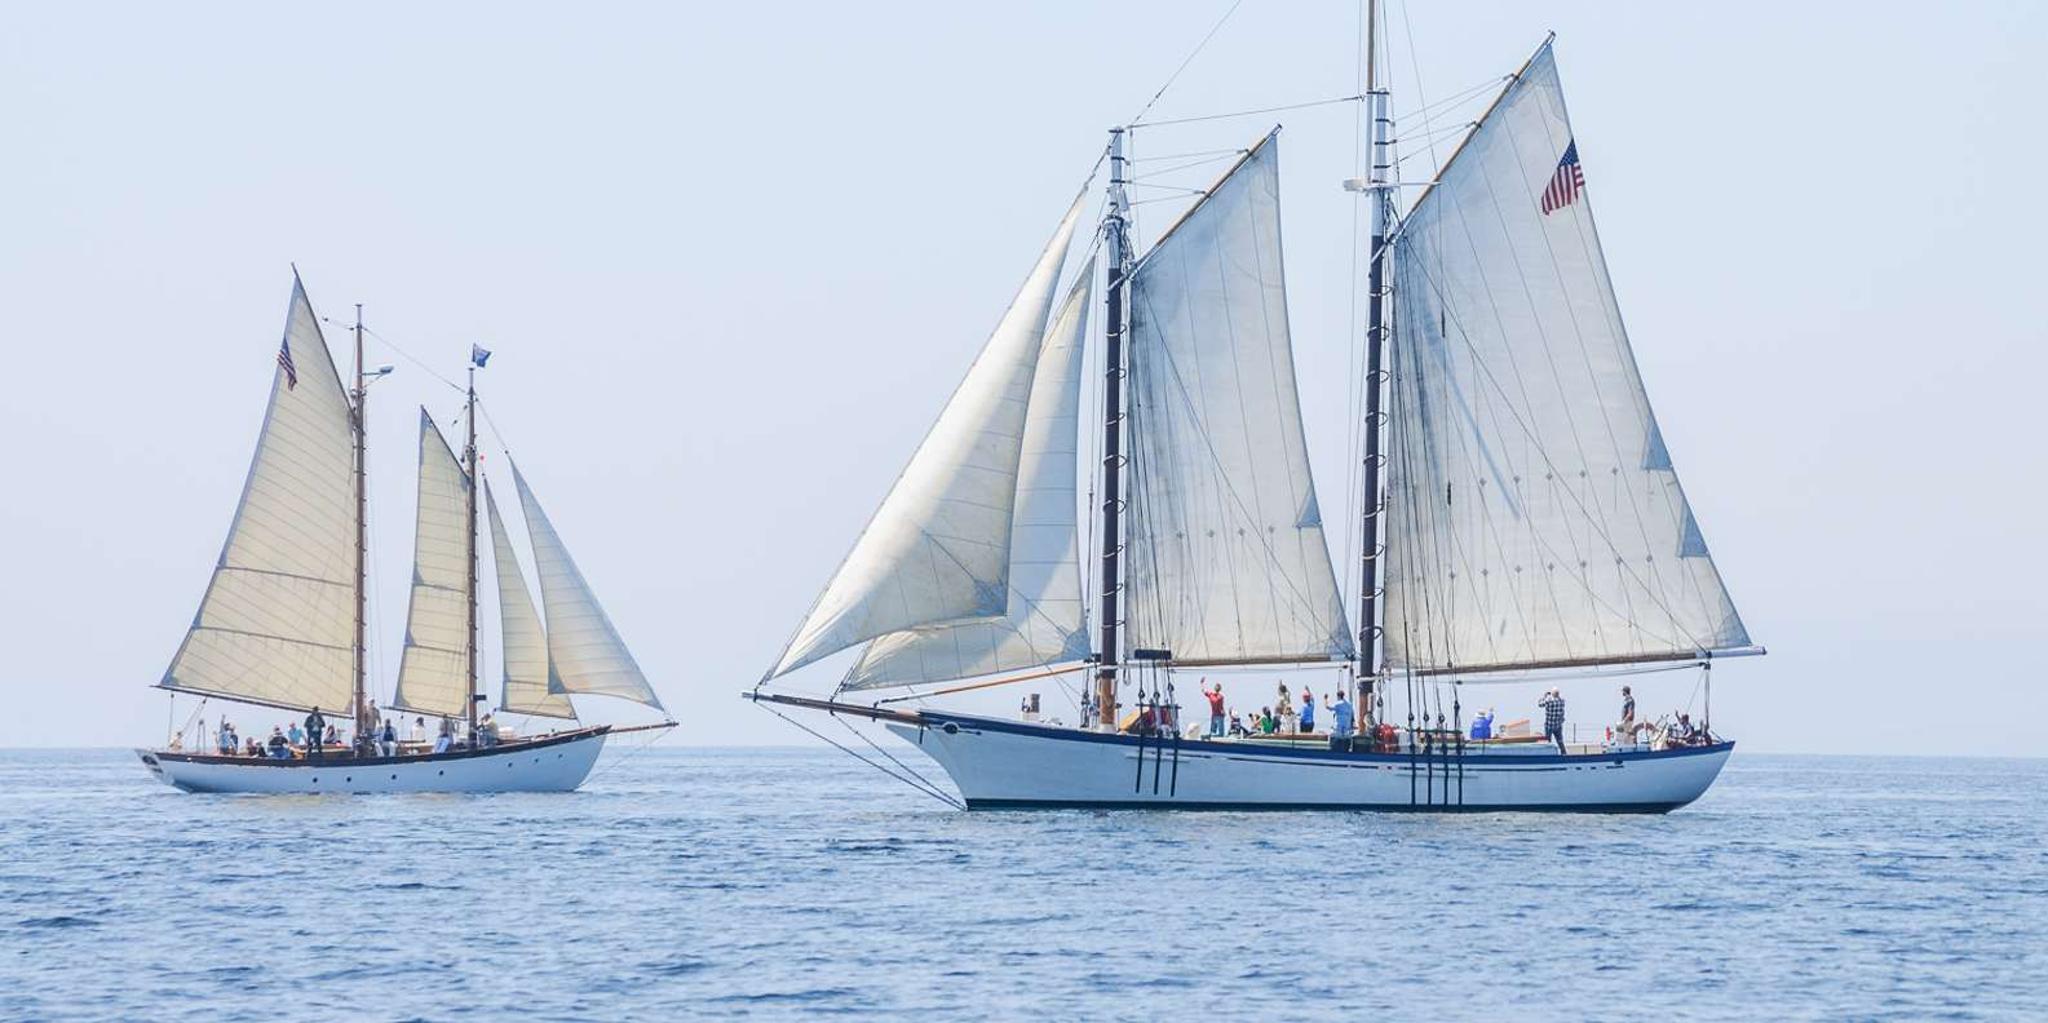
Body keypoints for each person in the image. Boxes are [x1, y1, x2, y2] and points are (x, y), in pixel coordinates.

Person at [1537, 688, 1567, 754]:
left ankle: (1549, 754)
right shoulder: (1562, 701)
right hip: (1558, 725)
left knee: (1548, 742)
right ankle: (1564, 754)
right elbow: (1562, 712)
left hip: (1549, 726)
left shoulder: (1549, 701)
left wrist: (1544, 696)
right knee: (1560, 742)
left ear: (1552, 694)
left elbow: (1540, 704)